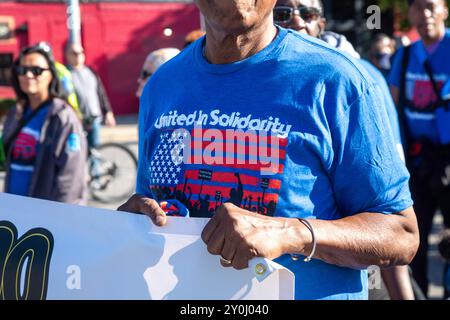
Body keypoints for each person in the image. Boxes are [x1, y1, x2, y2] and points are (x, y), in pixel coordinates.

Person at [119, 0, 419, 300]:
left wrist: (289, 233)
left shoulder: (337, 79)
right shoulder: (162, 86)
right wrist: (131, 225)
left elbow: (401, 235)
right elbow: (151, 210)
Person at [274, 0, 419, 300]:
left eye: (308, 13)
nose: (298, 21)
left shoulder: (358, 80)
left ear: (322, 24)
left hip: (356, 270)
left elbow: (388, 208)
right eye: (284, 13)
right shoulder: (252, 79)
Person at [388, 0, 450, 298]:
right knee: (416, 237)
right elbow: (392, 102)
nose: (425, 15)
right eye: (418, 8)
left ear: (444, 11)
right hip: (416, 160)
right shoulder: (407, 54)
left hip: (448, 157)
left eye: (431, 7)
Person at [2, 44, 87, 204]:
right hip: (14, 210)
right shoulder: (16, 113)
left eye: (36, 70)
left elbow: (71, 177)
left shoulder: (62, 117)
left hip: (44, 216)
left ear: (51, 75)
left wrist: (60, 218)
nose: (27, 75)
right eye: (22, 70)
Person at [65, 42, 116, 149]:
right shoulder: (65, 74)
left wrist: (108, 112)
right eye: (74, 53)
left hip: (94, 118)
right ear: (67, 55)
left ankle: (96, 166)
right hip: (77, 121)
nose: (78, 55)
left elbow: (101, 93)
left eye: (81, 52)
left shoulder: (90, 72)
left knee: (95, 150)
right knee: (77, 150)